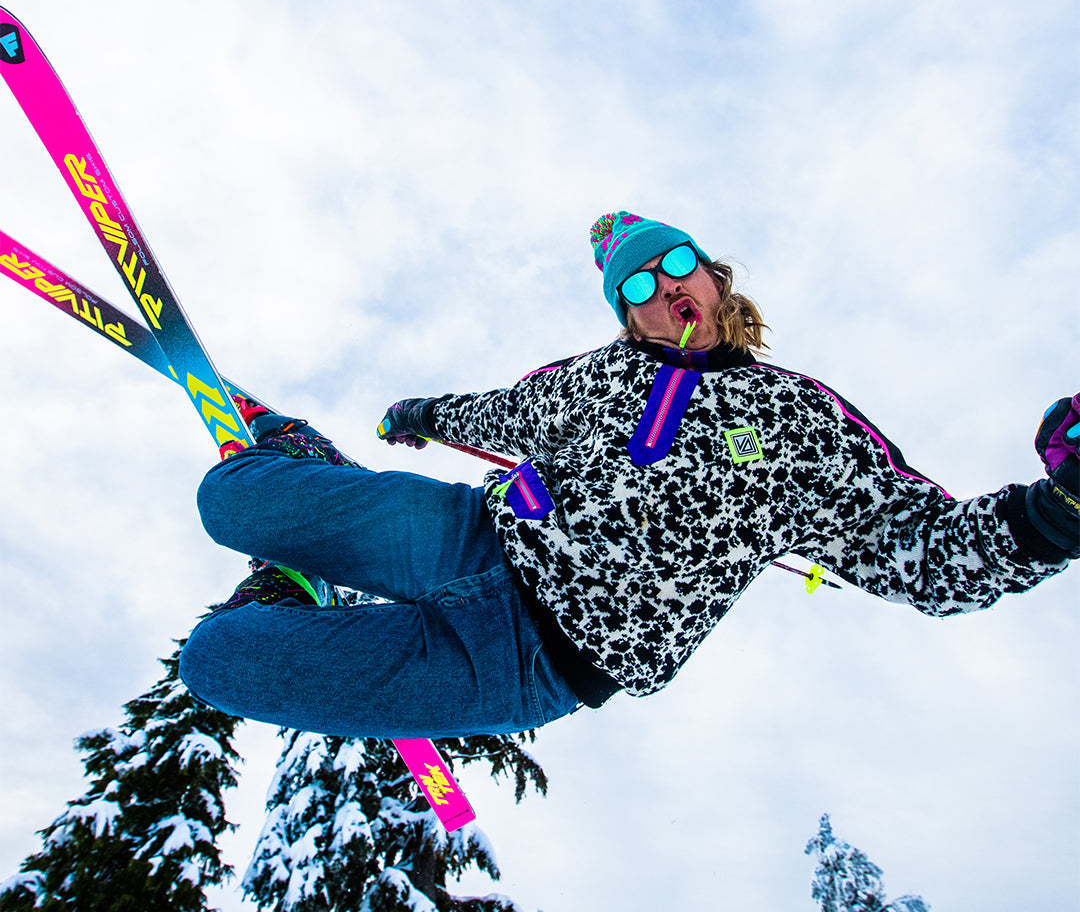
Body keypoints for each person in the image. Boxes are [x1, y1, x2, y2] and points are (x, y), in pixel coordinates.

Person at [178, 211, 1079, 738]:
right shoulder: (601, 378)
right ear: (627, 316)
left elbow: (923, 549)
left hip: (531, 660)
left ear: (719, 283)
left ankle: (293, 591)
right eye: (637, 284)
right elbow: (501, 415)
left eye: (679, 265)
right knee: (227, 497)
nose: (663, 286)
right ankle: (297, 474)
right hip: (474, 533)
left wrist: (1056, 516)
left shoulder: (799, 421)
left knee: (213, 662)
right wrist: (418, 418)